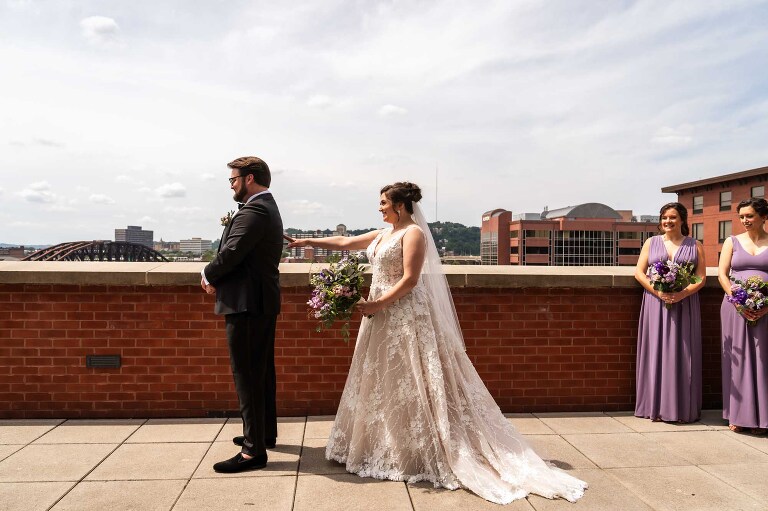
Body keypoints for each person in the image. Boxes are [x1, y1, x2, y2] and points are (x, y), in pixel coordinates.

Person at [288, 182, 587, 504]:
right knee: (385, 379)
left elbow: (410, 279)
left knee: (415, 378)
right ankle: (390, 444)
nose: (380, 208)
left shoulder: (412, 234)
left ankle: (426, 446)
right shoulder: (382, 234)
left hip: (402, 314)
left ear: (400, 206)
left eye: (384, 203)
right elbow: (346, 242)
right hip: (382, 316)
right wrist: (305, 240)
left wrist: (377, 304)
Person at [200, 156, 283, 472]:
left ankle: (253, 451)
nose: (231, 185)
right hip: (259, 302)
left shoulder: (255, 210)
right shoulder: (265, 207)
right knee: (261, 372)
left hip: (247, 304)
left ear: (250, 179)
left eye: (233, 179)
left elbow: (232, 253)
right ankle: (264, 434)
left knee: (247, 374)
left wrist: (208, 275)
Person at [633, 202, 706, 423]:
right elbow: (639, 272)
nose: (668, 221)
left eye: (673, 217)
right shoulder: (651, 242)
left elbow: (701, 277)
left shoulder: (695, 245)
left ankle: (681, 408)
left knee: (684, 353)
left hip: (685, 304)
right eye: (664, 217)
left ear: (682, 220)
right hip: (655, 304)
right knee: (655, 351)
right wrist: (658, 291)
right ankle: (654, 405)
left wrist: (683, 294)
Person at [719, 197, 768, 435]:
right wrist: (737, 301)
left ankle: (763, 416)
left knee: (763, 359)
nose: (744, 220)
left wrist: (766, 306)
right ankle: (738, 414)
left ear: (763, 217)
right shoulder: (732, 241)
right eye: (741, 217)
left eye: (749, 216)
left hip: (767, 309)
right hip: (735, 308)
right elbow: (722, 274)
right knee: (737, 359)